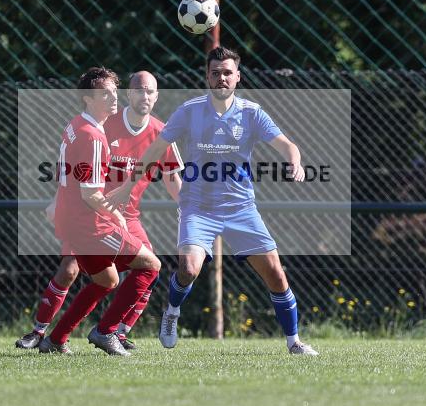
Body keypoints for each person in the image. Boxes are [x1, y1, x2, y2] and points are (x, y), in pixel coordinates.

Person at [109, 46, 318, 355]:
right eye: (216, 73)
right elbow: (157, 147)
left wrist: (294, 162)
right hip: (198, 208)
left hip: (241, 208)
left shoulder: (251, 112)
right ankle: (172, 311)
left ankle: (294, 342)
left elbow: (287, 145)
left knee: (275, 273)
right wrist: (129, 184)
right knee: (189, 268)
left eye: (227, 73)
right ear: (207, 77)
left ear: (237, 77)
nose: (222, 78)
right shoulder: (189, 111)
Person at [16, 71, 182, 350]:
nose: (144, 96)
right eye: (138, 90)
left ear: (157, 96)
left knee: (113, 277)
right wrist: (63, 201)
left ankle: (108, 332)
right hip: (93, 216)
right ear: (131, 94)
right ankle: (44, 331)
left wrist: (192, 209)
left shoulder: (158, 132)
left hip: (114, 215)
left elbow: (173, 178)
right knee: (74, 269)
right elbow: (85, 185)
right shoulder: (100, 129)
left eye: (150, 91)